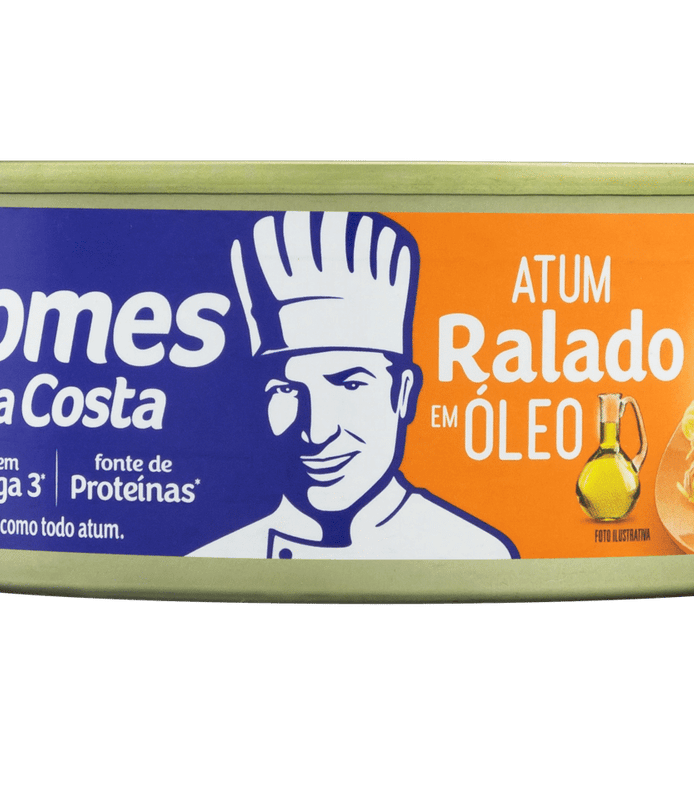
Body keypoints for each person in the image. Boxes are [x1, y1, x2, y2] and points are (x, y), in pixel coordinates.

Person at [189, 211, 518, 560]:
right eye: (285, 390)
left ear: (403, 393)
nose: (316, 433)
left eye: (350, 384)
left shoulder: (476, 553)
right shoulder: (212, 561)